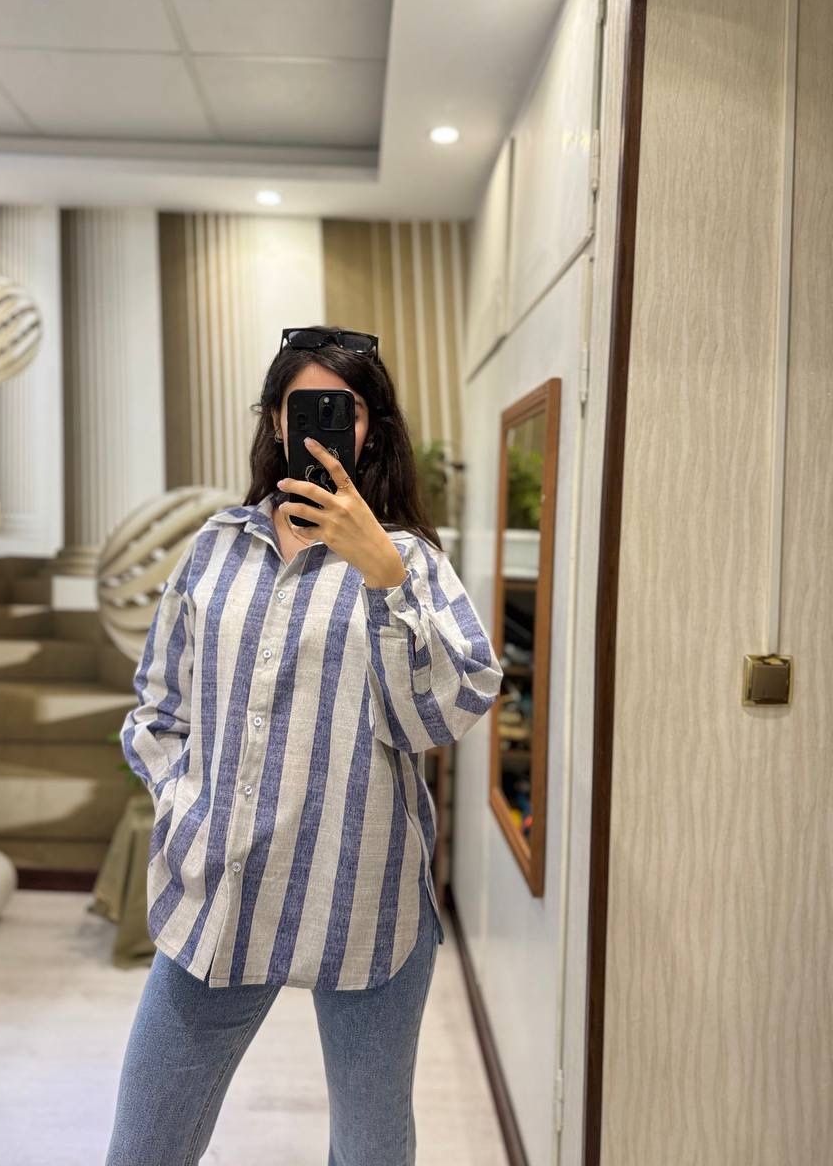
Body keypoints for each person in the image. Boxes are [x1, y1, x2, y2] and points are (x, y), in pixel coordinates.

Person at [105, 325, 503, 1166]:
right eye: (304, 406)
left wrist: (383, 577)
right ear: (275, 422)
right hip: (220, 889)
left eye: (344, 410)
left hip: (363, 899)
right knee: (144, 1144)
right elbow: (159, 706)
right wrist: (184, 805)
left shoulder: (412, 564)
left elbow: (444, 717)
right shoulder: (215, 548)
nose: (323, 425)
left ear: (371, 432)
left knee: (370, 1147)